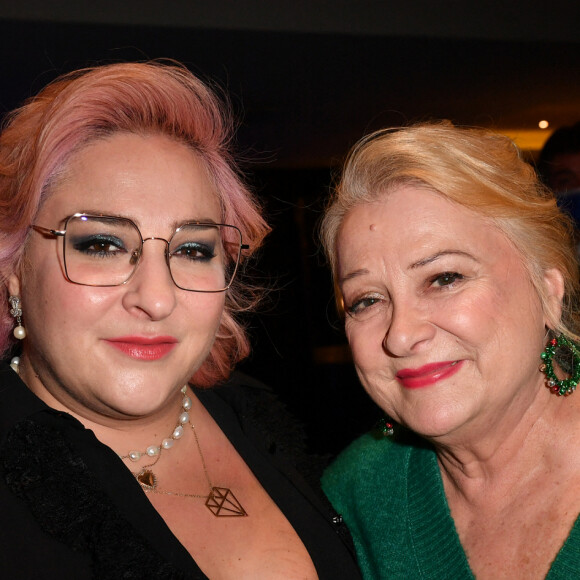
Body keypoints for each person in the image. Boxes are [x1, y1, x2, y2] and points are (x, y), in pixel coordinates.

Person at [0, 61, 360, 579]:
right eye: (101, 244)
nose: (156, 298)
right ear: (14, 268)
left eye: (192, 249)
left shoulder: (259, 417)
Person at [319, 122, 580, 579]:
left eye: (444, 278)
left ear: (547, 291)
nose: (400, 336)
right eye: (367, 300)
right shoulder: (356, 493)